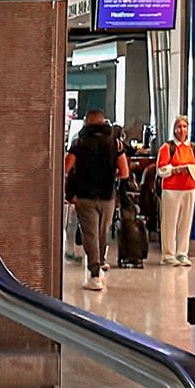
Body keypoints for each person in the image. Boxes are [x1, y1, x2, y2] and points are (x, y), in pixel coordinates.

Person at [64, 108, 126, 292]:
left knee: (89, 235)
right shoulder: (115, 143)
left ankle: (94, 273)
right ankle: (100, 263)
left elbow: (66, 167)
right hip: (107, 197)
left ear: (87, 122)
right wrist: (110, 174)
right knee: (102, 233)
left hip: (85, 196)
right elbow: (125, 172)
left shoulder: (79, 142)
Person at [156, 115, 195, 266]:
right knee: (169, 222)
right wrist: (176, 170)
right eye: (179, 126)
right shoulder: (167, 147)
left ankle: (182, 253)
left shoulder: (193, 148)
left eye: (184, 126)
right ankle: (168, 254)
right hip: (171, 189)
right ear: (174, 129)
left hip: (189, 189)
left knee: (185, 222)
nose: (182, 129)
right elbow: (161, 169)